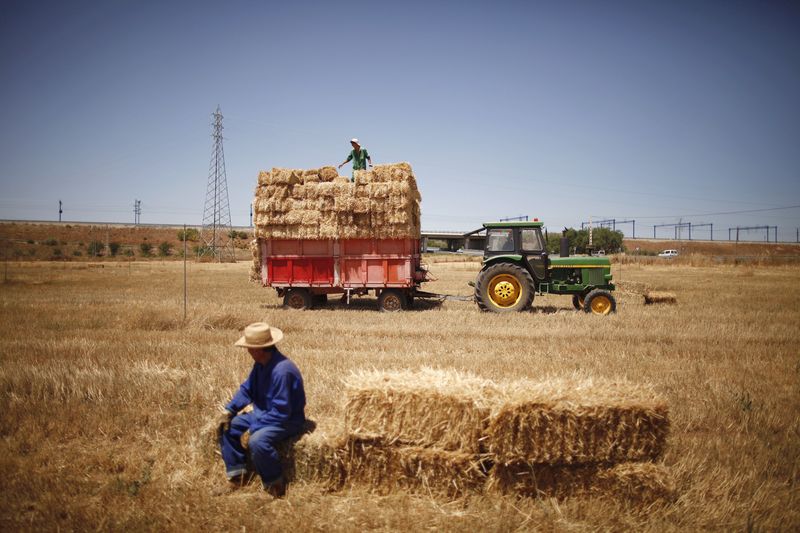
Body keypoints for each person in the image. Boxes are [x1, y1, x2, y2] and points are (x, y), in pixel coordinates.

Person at [216, 322, 306, 497]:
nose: (247, 351)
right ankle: (237, 476)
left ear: (258, 349)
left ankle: (275, 485)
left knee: (257, 441)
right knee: (228, 427)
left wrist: (254, 428)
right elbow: (247, 389)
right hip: (264, 414)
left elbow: (282, 411)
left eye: (249, 348)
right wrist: (229, 410)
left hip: (287, 420)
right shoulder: (261, 365)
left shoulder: (282, 371)